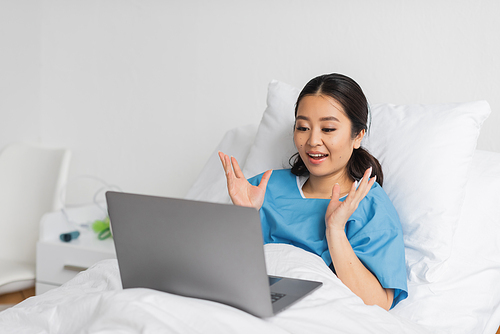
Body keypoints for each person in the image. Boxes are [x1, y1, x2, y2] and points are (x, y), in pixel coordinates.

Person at [218, 73, 407, 310]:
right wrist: (243, 218)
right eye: (303, 127)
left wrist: (335, 230)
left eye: (328, 129)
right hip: (245, 304)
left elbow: (379, 304)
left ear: (357, 136)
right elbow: (220, 270)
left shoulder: (369, 204)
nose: (312, 140)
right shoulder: (261, 189)